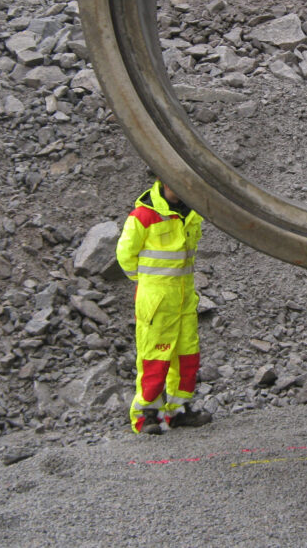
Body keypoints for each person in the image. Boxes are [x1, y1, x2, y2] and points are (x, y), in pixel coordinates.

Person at [116, 178, 212, 434]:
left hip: (183, 300)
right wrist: (148, 284)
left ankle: (179, 411)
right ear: (164, 182)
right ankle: (147, 416)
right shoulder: (143, 215)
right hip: (157, 301)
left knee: (187, 357)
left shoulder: (190, 214)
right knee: (154, 358)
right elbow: (125, 256)